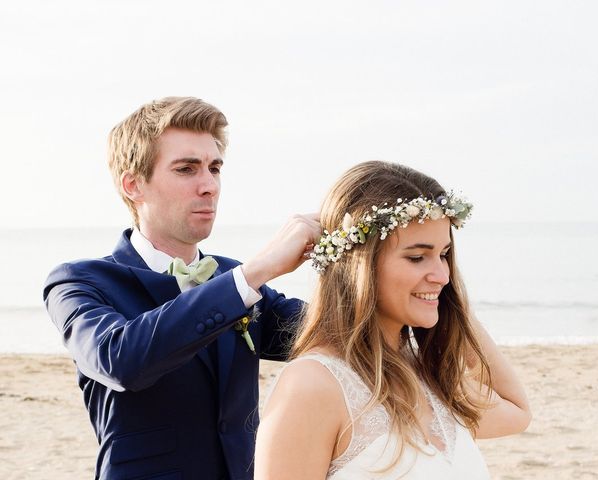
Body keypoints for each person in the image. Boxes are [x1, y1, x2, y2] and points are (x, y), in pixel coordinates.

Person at [43, 96, 320, 480]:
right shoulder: (79, 281)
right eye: (187, 169)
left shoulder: (231, 275)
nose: (209, 186)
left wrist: (375, 253)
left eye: (214, 167)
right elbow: (121, 361)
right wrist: (258, 270)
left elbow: (331, 331)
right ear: (133, 184)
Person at [255, 161, 532, 479]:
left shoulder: (426, 371)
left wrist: (450, 302)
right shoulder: (311, 386)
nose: (442, 275)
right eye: (417, 257)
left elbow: (516, 411)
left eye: (444, 254)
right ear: (358, 263)